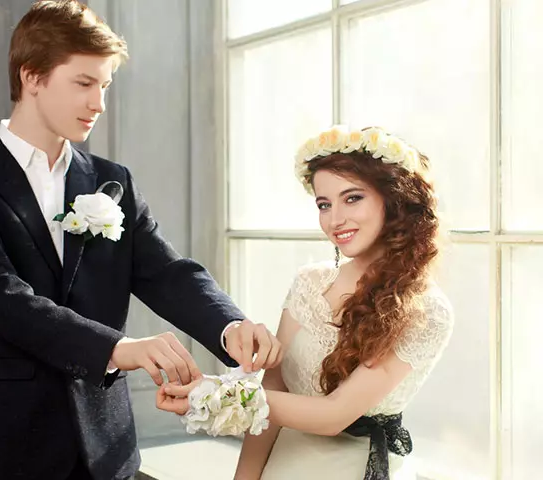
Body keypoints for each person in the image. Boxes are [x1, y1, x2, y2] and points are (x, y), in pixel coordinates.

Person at [0, 2, 282, 479]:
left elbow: (166, 273)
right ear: (32, 77)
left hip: (104, 446)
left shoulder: (113, 181)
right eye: (84, 83)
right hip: (0, 440)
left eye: (105, 86)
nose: (99, 103)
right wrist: (120, 347)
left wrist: (228, 325)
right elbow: (0, 299)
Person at [157, 126, 454, 480]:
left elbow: (333, 416)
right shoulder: (309, 283)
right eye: (324, 205)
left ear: (394, 200)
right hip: (282, 466)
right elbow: (273, 389)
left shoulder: (426, 310)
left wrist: (214, 393)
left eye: (353, 198)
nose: (335, 219)